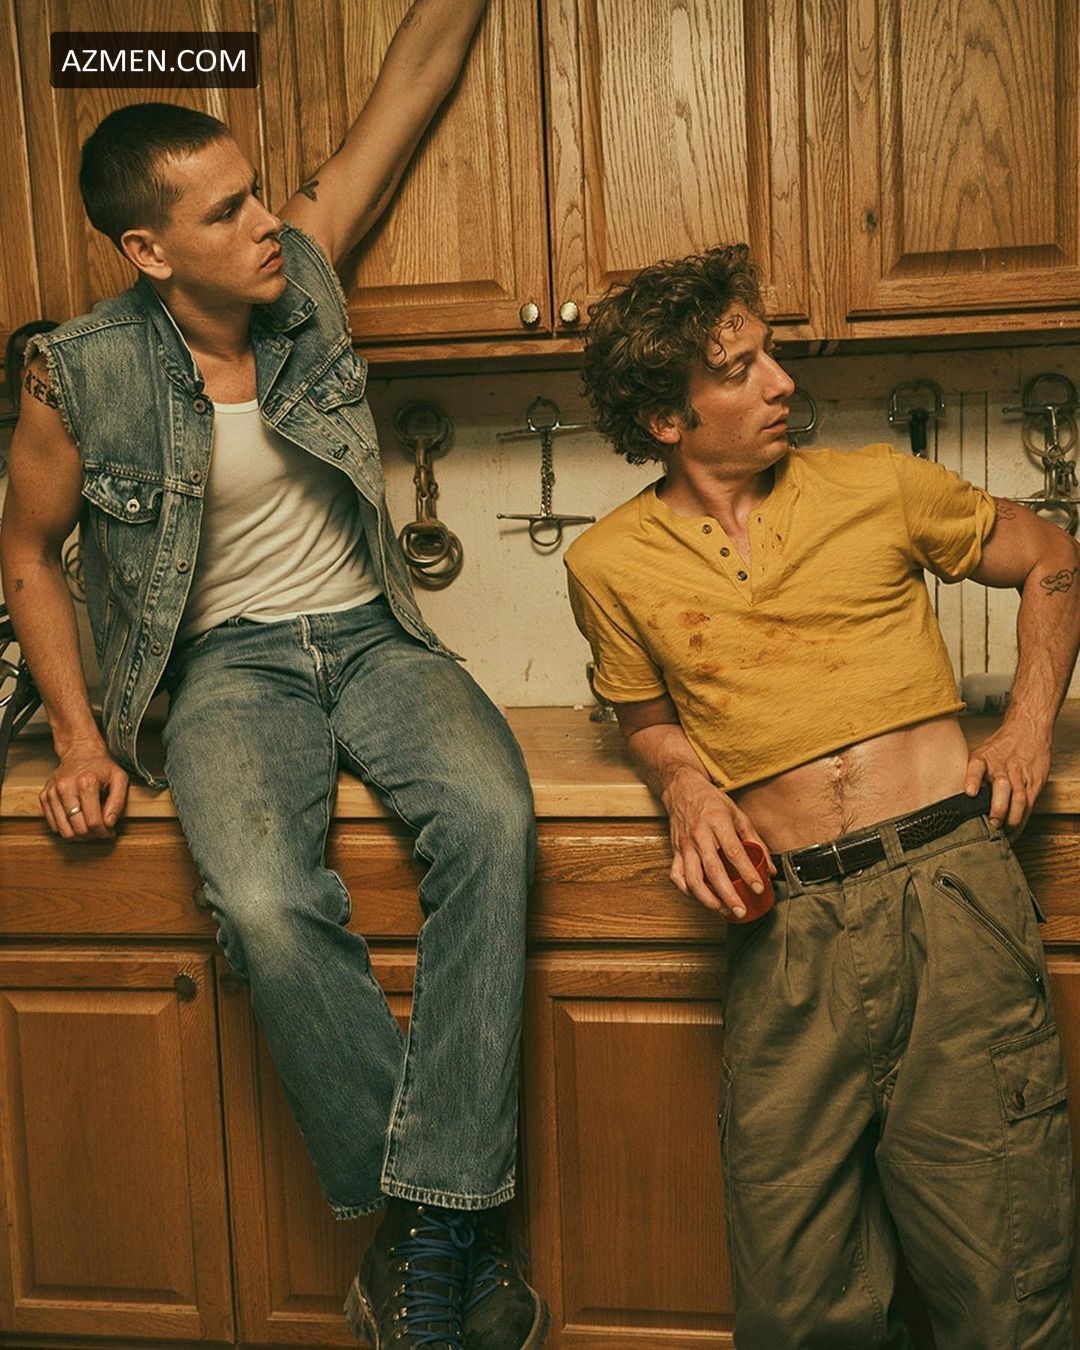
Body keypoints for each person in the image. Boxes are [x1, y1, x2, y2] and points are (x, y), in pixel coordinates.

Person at [0, 6, 547, 1348]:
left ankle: (420, 1235)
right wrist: (80, 739)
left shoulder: (299, 277)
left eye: (258, 193)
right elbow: (25, 550)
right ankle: (438, 1228)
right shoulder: (79, 374)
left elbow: (405, 92)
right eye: (227, 210)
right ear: (148, 249)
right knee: (258, 899)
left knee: (493, 819)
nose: (266, 224)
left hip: (371, 632)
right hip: (226, 667)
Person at [565, 244, 1080, 1349]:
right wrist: (686, 787)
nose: (780, 381)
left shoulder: (880, 485)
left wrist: (1028, 723)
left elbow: (1053, 559)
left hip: (950, 898)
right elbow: (644, 717)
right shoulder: (608, 564)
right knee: (797, 1304)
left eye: (770, 354)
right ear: (667, 418)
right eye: (739, 369)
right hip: (784, 927)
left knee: (1008, 1285)